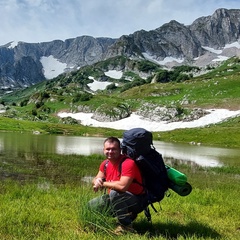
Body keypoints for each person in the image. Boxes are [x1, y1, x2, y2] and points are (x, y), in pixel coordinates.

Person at [88, 137, 148, 235]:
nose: (110, 151)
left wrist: (103, 184)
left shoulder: (128, 163)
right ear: (103, 150)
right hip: (118, 199)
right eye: (107, 149)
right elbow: (95, 178)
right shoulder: (105, 164)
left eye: (114, 149)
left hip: (137, 201)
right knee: (90, 206)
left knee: (115, 193)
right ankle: (127, 216)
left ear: (120, 150)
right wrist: (97, 181)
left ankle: (126, 226)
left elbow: (122, 187)